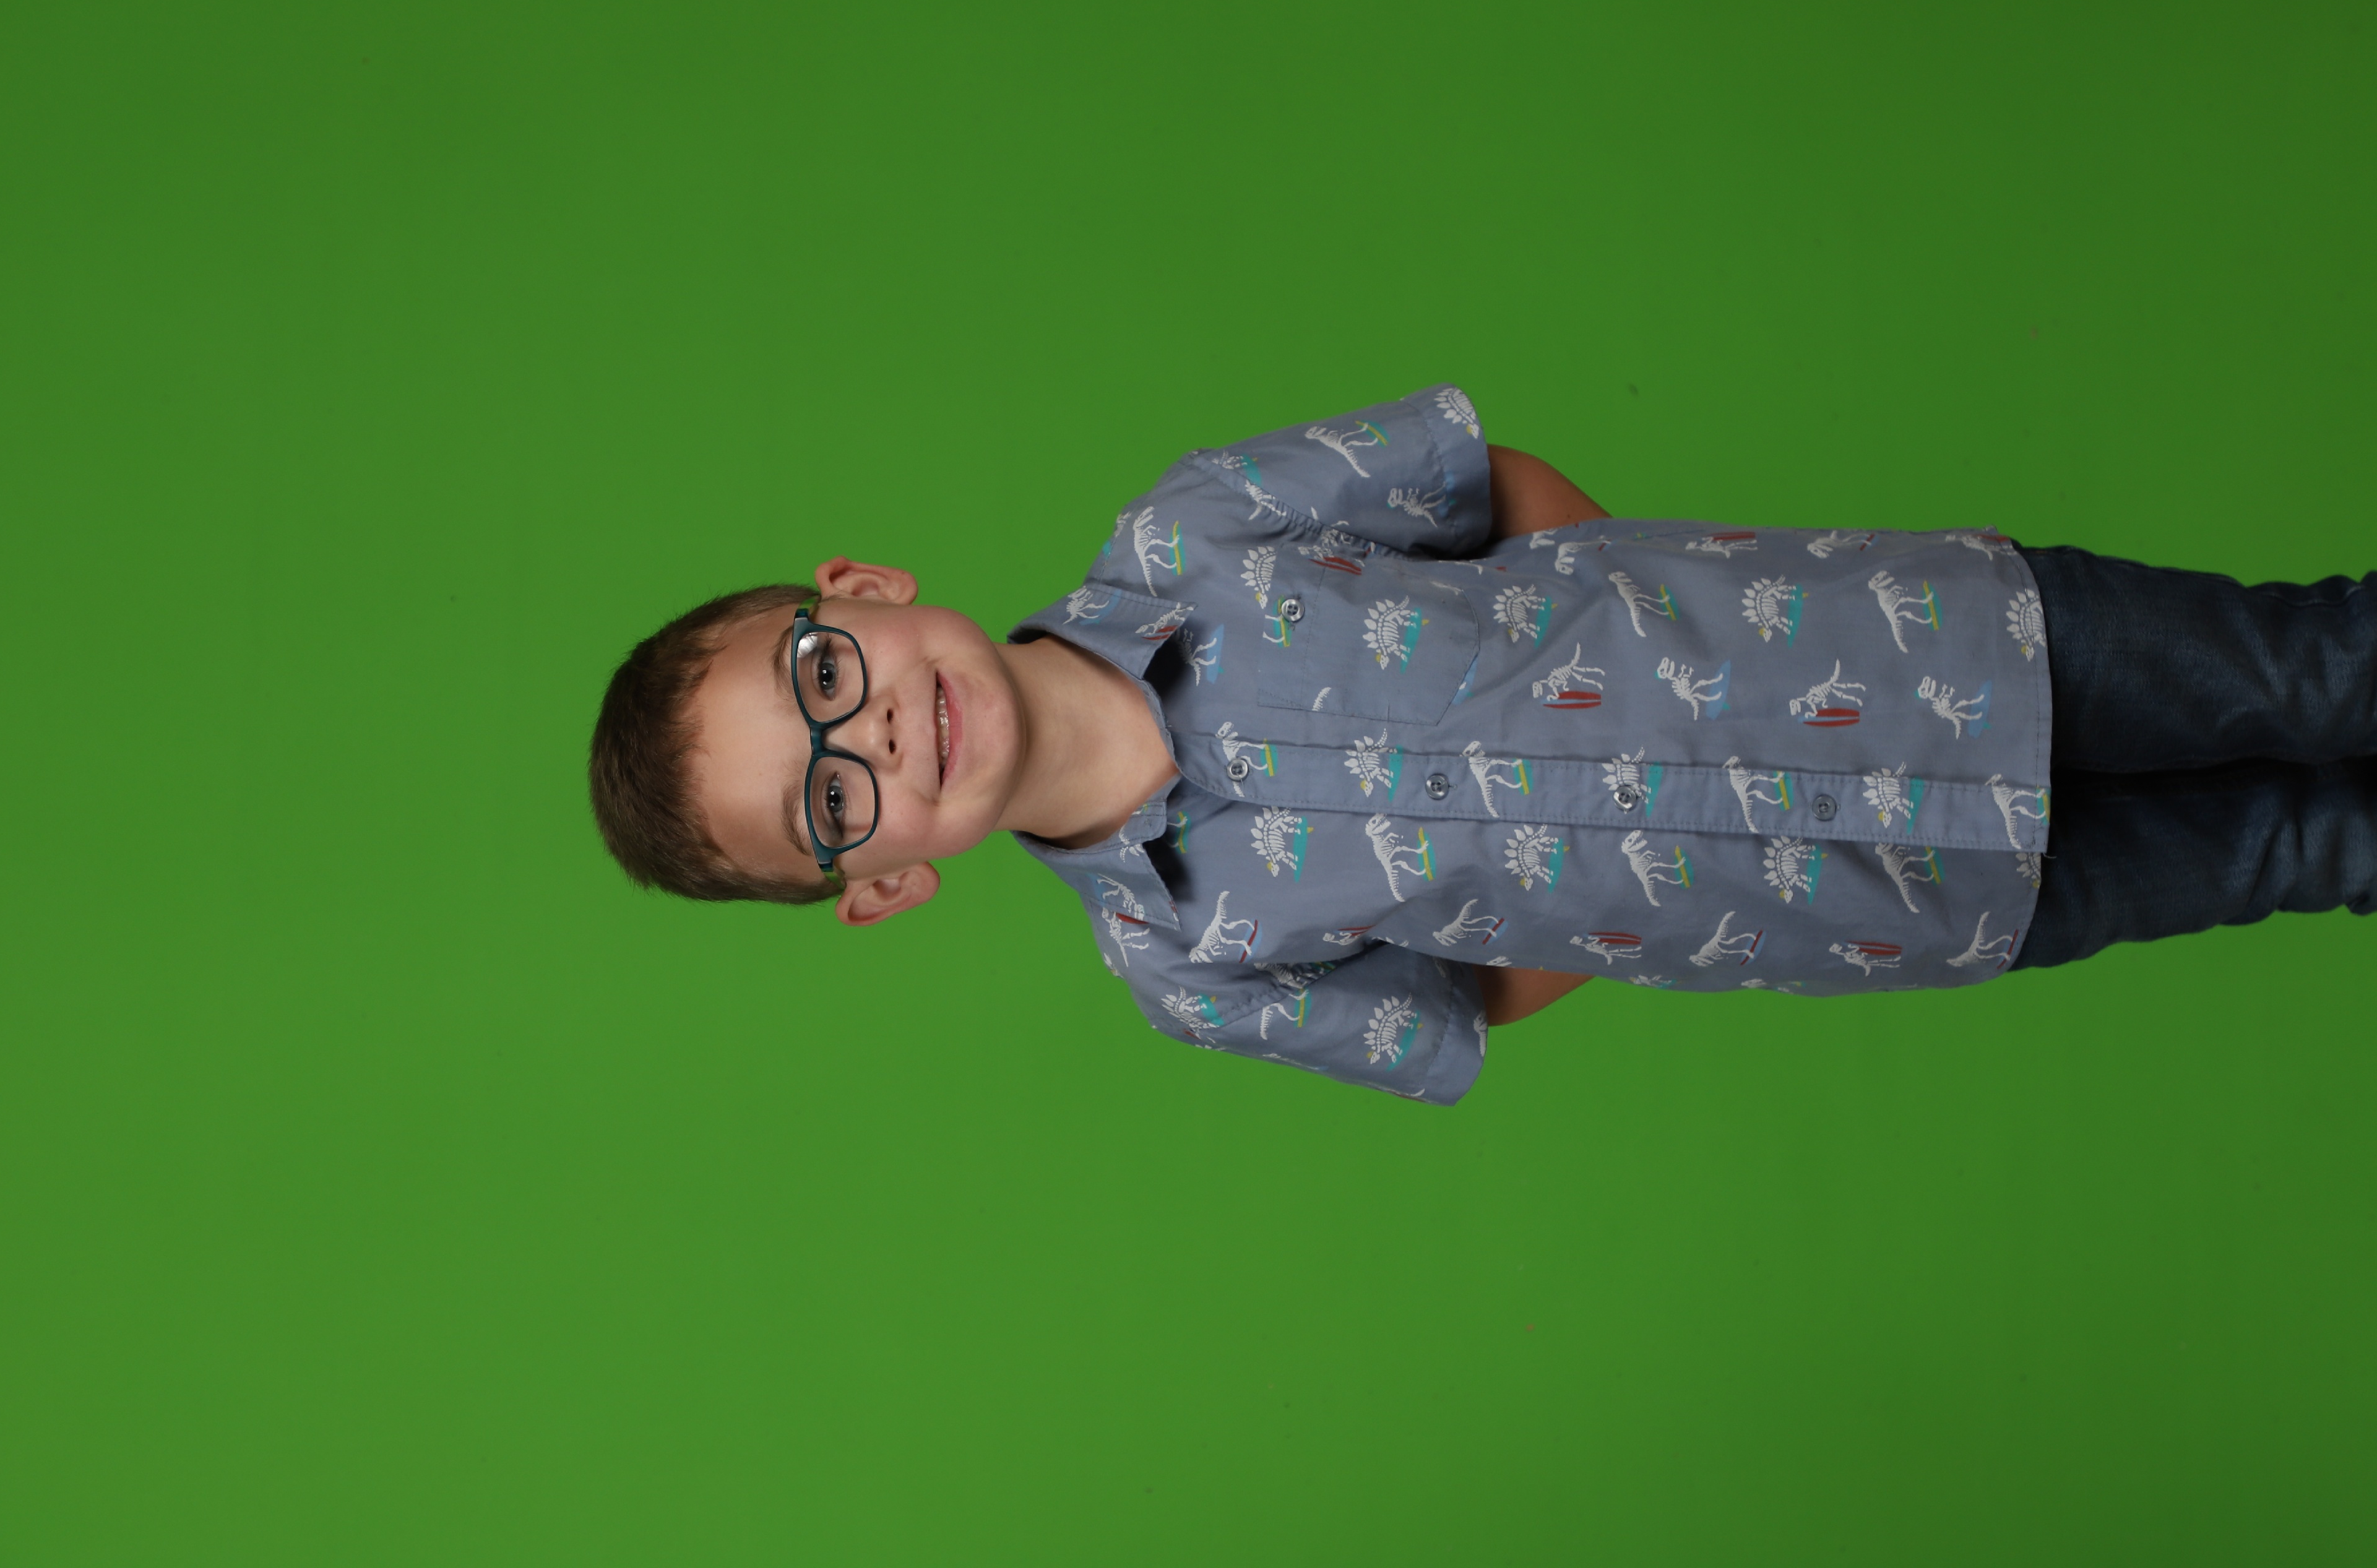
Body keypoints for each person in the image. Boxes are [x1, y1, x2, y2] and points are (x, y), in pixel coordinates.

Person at [588, 385, 2376, 1104]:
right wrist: (1630, 886)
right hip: (1894, 896)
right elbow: (1466, 998)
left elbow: (1483, 482)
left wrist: (1632, 629)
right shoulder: (1187, 969)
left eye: (823, 673)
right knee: (2303, 850)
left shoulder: (1198, 526)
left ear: (863, 590)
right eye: (834, 795)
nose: (877, 728)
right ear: (884, 882)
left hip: (1928, 643)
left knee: (2315, 668)